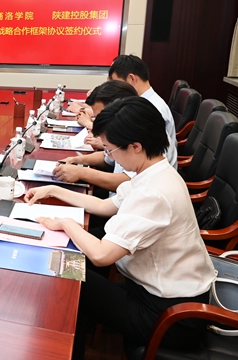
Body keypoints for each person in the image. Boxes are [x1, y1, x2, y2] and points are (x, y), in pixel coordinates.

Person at [24, 97, 214, 359]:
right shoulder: (155, 172)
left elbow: (102, 255)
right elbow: (105, 206)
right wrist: (53, 190)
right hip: (155, 293)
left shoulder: (154, 191)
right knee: (74, 272)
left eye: (111, 150)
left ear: (135, 146)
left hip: (171, 316)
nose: (110, 157)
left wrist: (65, 223)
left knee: (69, 278)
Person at [53, 81, 139, 193]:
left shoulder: (138, 136)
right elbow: (107, 157)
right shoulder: (120, 131)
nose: (97, 121)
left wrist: (81, 173)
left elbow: (128, 182)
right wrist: (76, 160)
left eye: (99, 116)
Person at [107, 54, 177, 167]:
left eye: (117, 83)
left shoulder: (151, 111)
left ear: (132, 79)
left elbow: (148, 167)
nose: (115, 89)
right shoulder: (140, 103)